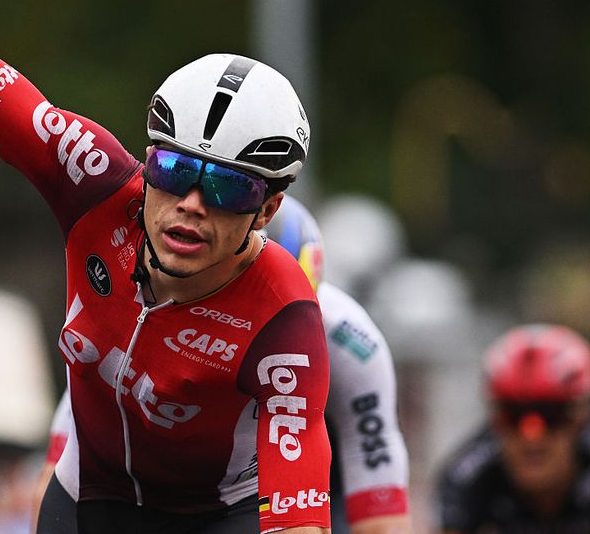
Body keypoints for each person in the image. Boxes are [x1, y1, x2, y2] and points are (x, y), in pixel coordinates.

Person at [0, 0, 331, 533]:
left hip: (216, 516)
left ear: (267, 209)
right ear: (148, 160)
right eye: (174, 171)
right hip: (92, 495)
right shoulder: (94, 180)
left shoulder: (285, 313)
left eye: (229, 190)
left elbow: (298, 521)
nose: (191, 205)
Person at [36, 196, 412, 534]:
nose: (271, 330)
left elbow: (379, 498)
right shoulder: (146, 310)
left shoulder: (351, 340)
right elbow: (61, 466)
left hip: (273, 489)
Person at [435, 324, 590, 533]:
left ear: (580, 418)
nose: (532, 434)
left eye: (551, 415)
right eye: (513, 415)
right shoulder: (467, 475)